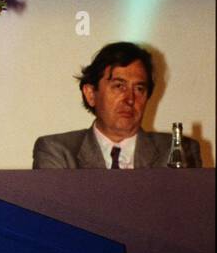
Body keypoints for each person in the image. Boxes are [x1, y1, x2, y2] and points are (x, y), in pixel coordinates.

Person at [32, 41, 201, 168]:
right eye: (119, 86)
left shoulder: (179, 151)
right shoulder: (58, 151)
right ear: (91, 94)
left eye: (139, 88)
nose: (130, 99)